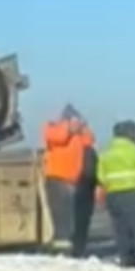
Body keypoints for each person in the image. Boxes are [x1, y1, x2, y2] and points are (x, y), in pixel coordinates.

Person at [42, 104, 97, 257]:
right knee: (61, 217)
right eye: (73, 119)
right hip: (57, 179)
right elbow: (56, 136)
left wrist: (83, 127)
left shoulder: (79, 136)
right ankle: (61, 250)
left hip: (73, 181)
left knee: (74, 217)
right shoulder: (52, 128)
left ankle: (74, 249)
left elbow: (90, 140)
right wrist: (69, 127)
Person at [97, 120, 135, 267]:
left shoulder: (106, 152)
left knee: (120, 228)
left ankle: (125, 258)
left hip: (113, 195)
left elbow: (101, 176)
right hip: (133, 193)